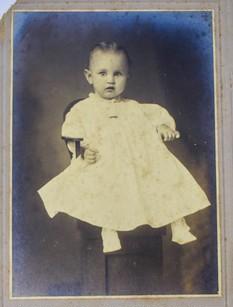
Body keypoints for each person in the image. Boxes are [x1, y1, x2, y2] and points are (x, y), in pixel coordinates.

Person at [38, 42, 210, 253]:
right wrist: (82, 151)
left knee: (165, 173)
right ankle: (108, 231)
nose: (110, 79)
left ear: (127, 76)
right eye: (102, 73)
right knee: (104, 189)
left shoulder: (134, 107)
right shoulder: (83, 109)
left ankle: (179, 224)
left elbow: (155, 117)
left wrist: (163, 127)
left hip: (136, 167)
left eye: (118, 73)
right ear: (89, 76)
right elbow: (72, 135)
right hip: (102, 163)